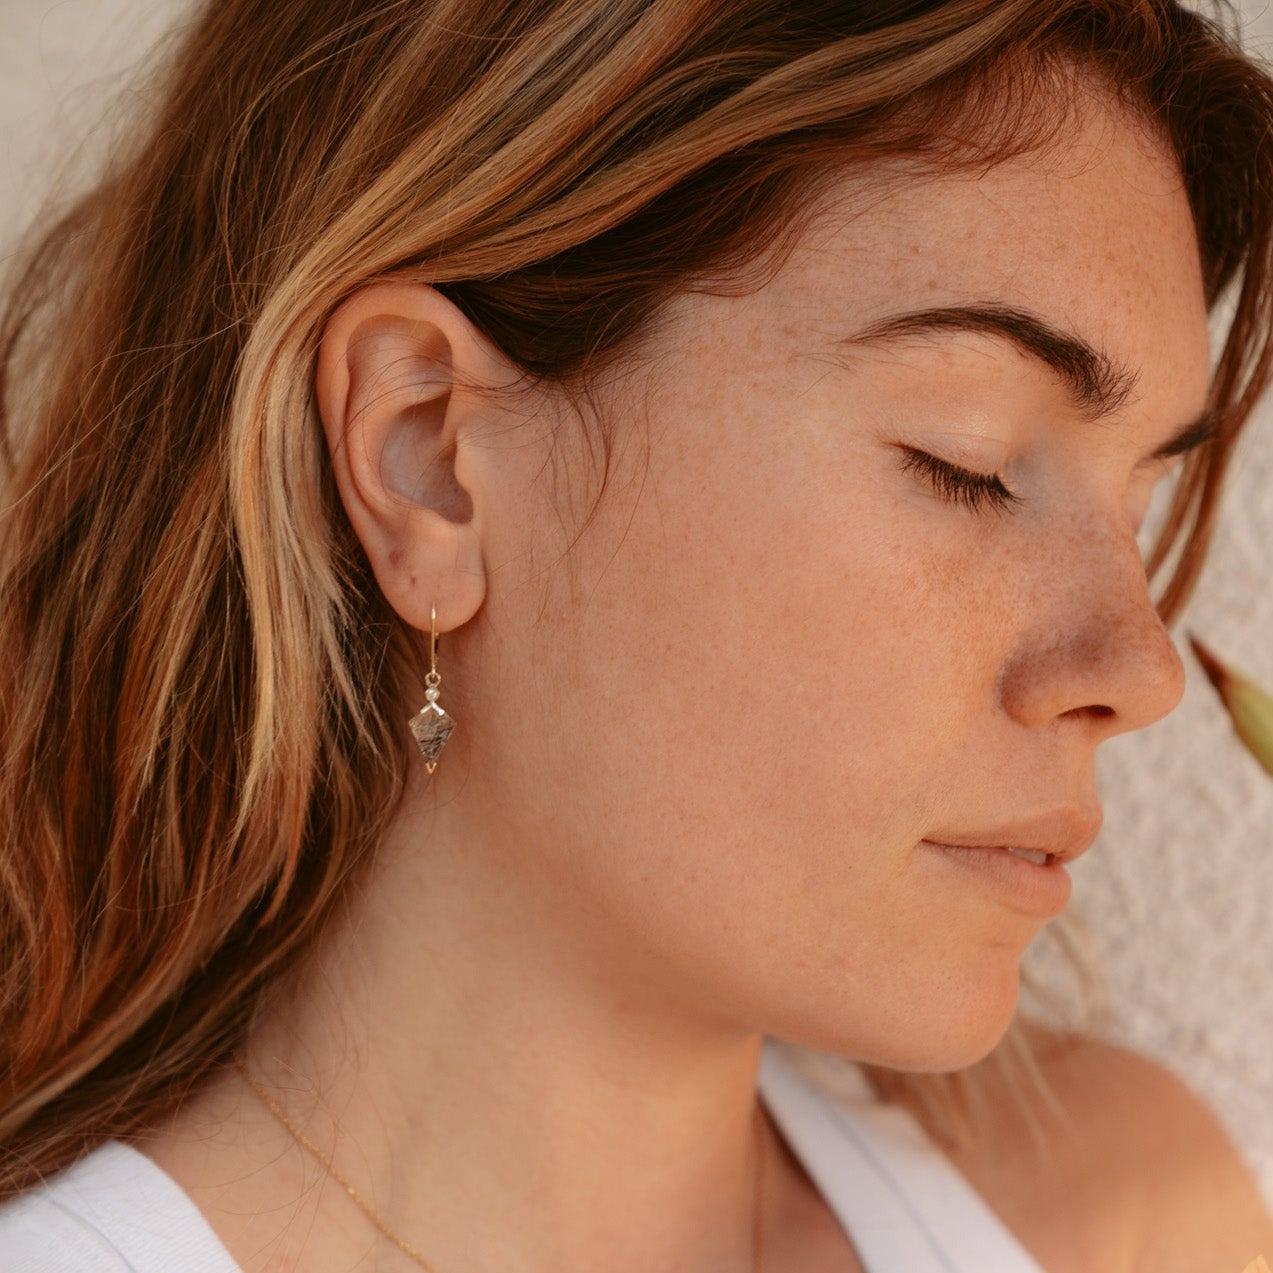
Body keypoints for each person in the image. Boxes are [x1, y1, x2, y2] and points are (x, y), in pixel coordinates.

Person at [1, 1, 1272, 1270]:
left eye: (1140, 502)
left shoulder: (1129, 1222)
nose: (1140, 668)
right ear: (428, 454)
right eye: (970, 463)